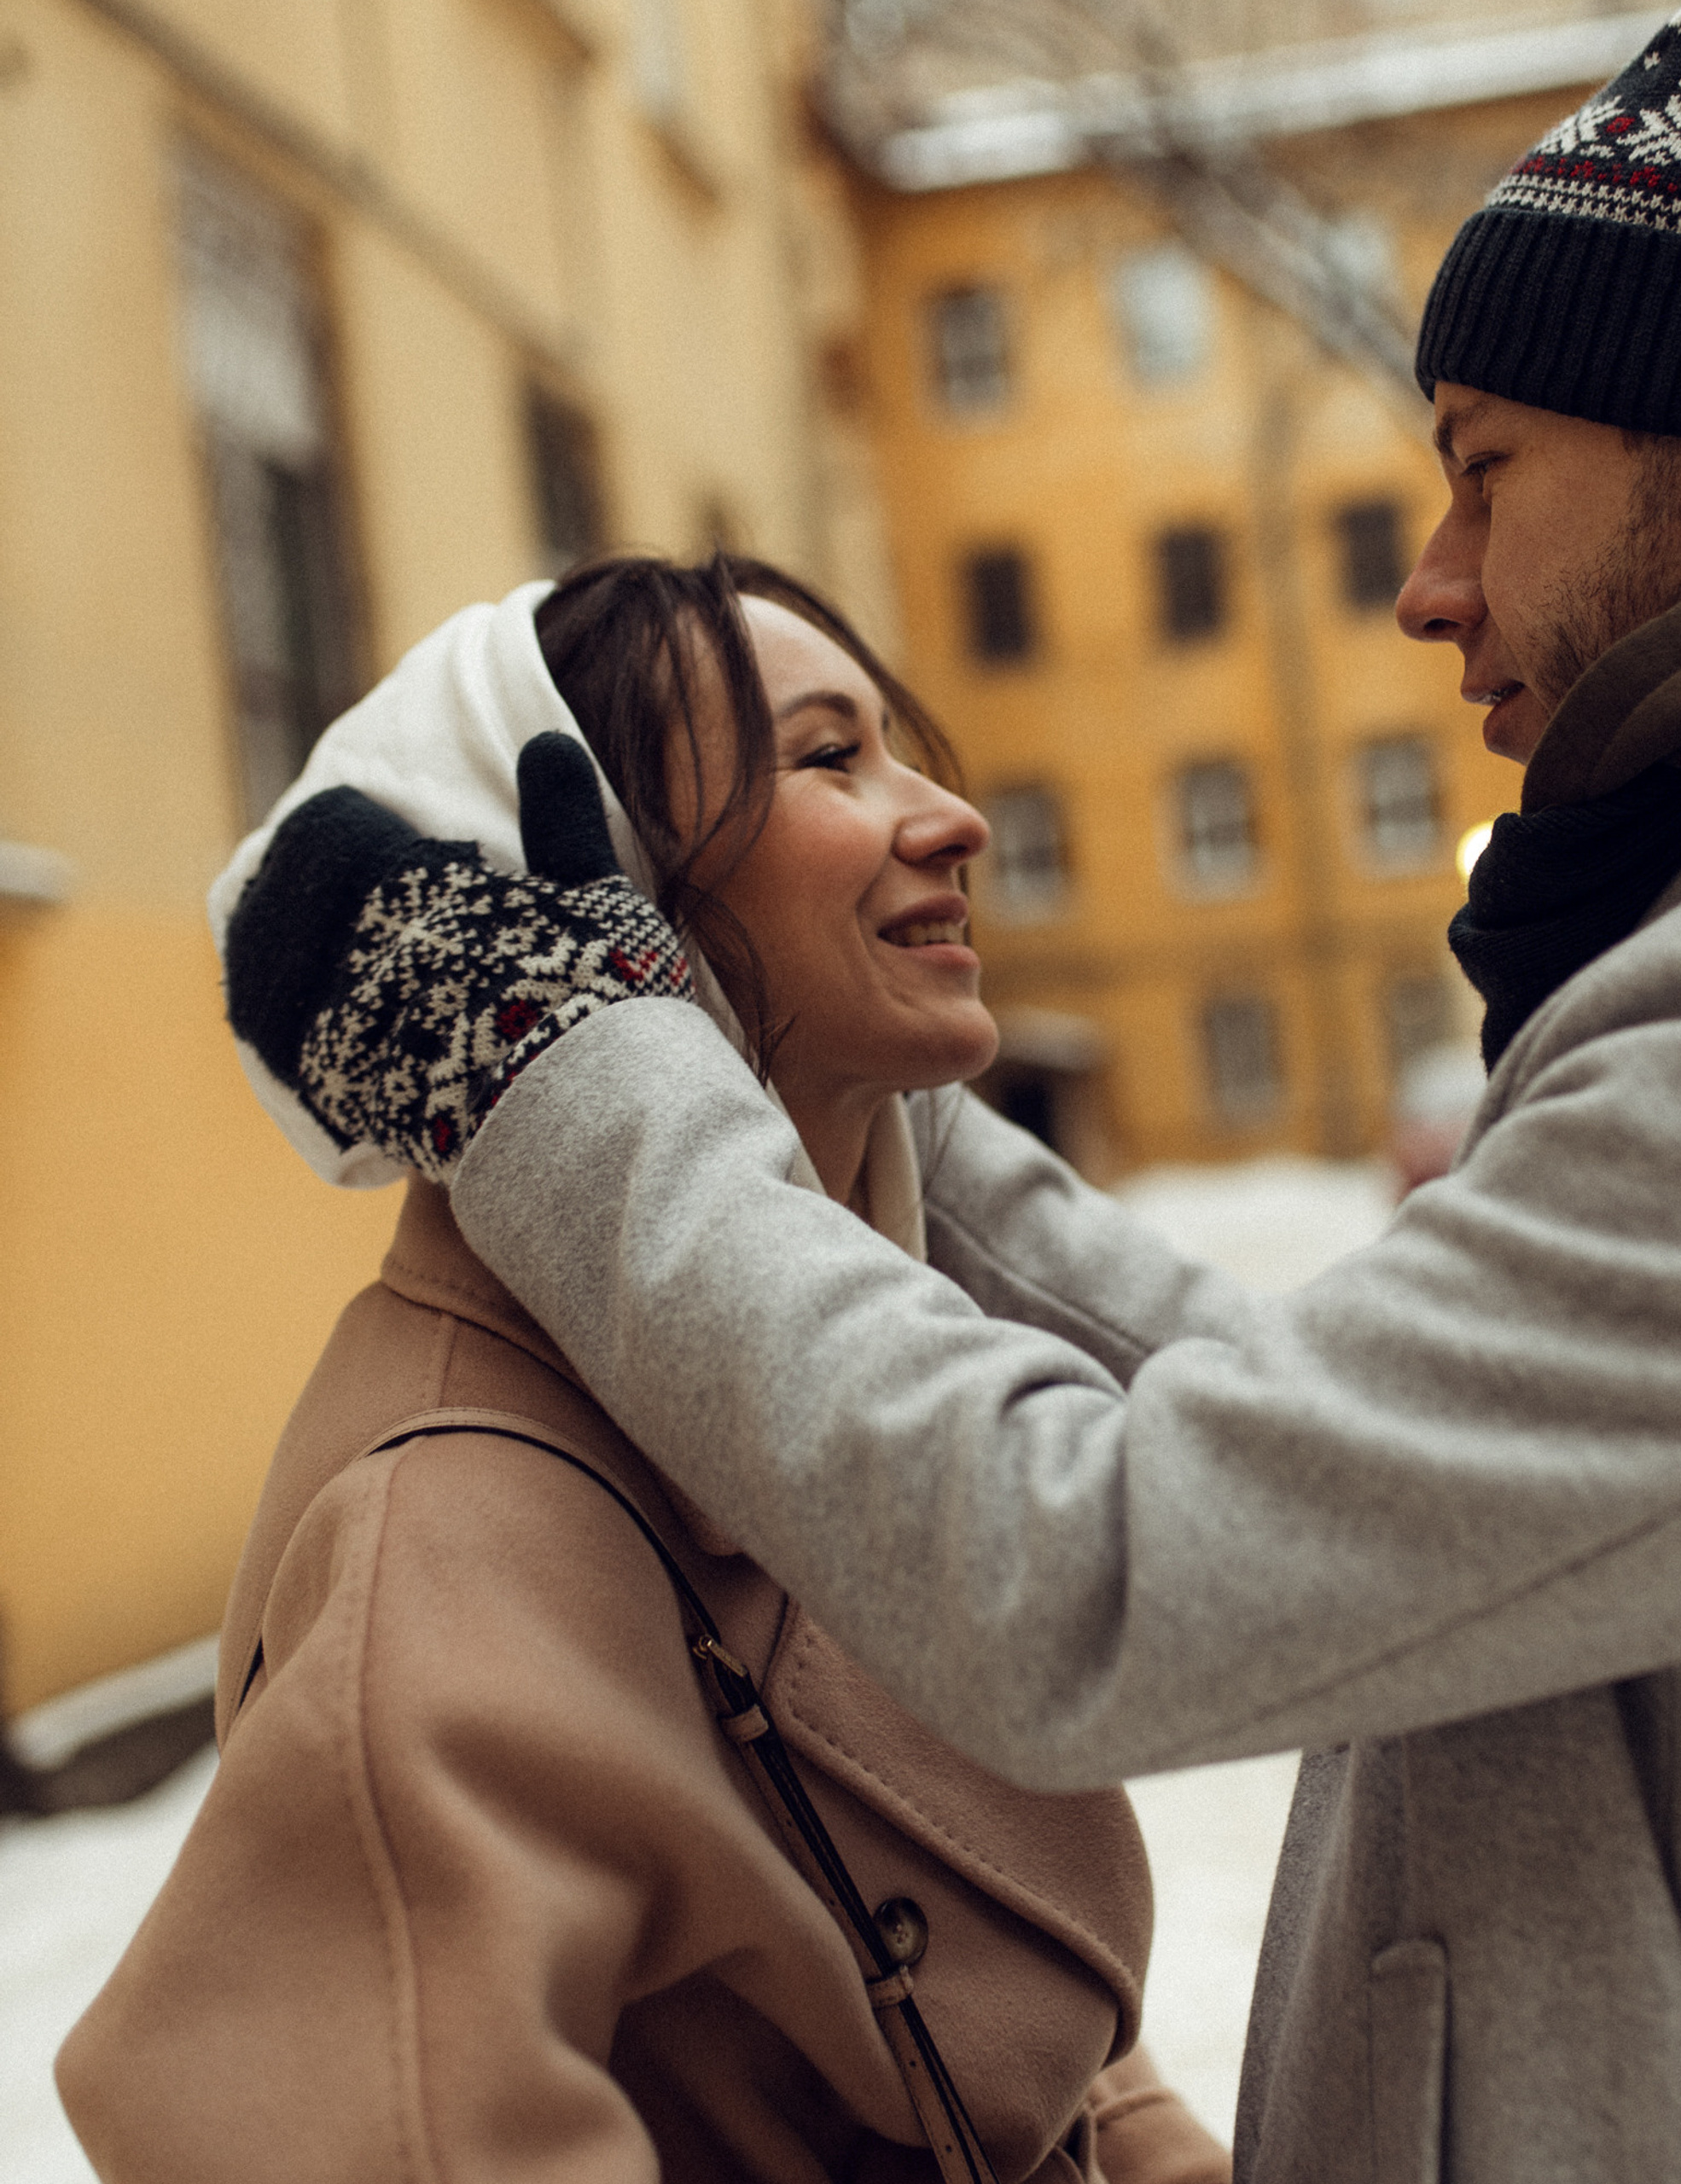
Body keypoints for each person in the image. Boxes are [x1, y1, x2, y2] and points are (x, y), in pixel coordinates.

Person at [210, 1, 1681, 2176]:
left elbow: (1102, 1573)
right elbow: (1363, 1449)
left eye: (1482, 462)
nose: (1431, 582)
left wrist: (556, 1064)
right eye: (825, 757)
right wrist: (867, 1125)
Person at [56, 555, 1230, 2184]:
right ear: (585, 890)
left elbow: (1019, 2029)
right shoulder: (452, 1531)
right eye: (830, 757)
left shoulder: (861, 1366)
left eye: (899, 746)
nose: (951, 815)